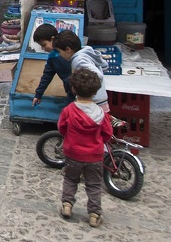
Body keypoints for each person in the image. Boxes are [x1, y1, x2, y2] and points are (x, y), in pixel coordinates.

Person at [57, 67, 113, 228]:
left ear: (73, 89)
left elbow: (62, 128)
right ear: (95, 92)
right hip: (94, 156)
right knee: (94, 184)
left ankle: (67, 205)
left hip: (73, 152)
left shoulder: (69, 111)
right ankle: (94, 214)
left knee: (70, 179)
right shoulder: (101, 114)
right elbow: (107, 134)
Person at [52, 30, 110, 113]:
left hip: (92, 103)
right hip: (99, 101)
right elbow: (104, 66)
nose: (60, 55)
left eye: (59, 52)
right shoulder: (86, 53)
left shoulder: (78, 60)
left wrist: (84, 91)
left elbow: (97, 75)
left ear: (68, 49)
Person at [31, 24, 73, 106]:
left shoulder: (68, 50)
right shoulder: (52, 58)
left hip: (82, 89)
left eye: (44, 45)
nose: (43, 48)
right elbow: (46, 76)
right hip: (71, 91)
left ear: (52, 39)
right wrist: (38, 94)